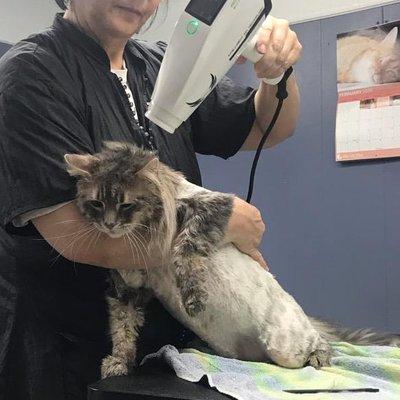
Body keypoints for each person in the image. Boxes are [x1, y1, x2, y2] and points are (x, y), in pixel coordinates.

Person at [0, 1, 302, 399]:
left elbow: (267, 126)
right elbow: (78, 237)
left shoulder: (161, 63)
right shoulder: (33, 74)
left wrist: (277, 73)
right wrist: (217, 225)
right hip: (70, 351)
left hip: (171, 345)